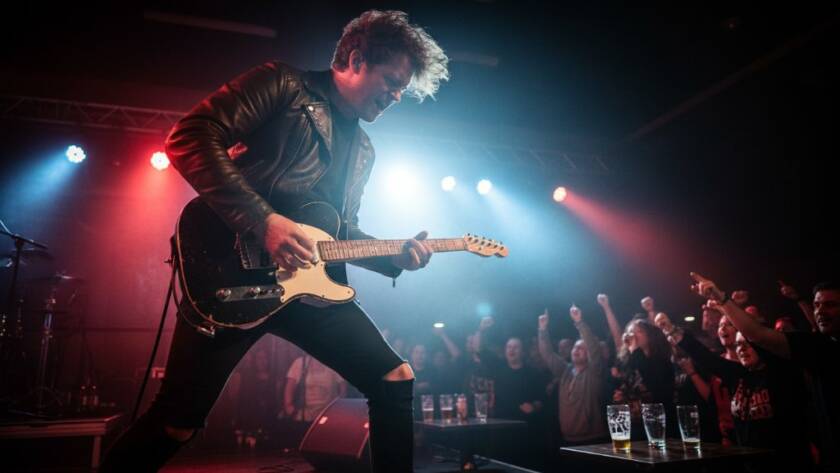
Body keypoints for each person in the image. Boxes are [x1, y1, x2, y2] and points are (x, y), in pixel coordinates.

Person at [100, 10, 448, 473]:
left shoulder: (364, 151)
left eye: (403, 87)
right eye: (392, 80)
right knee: (176, 423)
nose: (398, 95)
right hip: (231, 275)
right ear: (356, 58)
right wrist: (263, 221)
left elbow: (340, 231)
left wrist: (396, 256)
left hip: (310, 291)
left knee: (394, 378)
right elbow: (189, 136)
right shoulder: (284, 86)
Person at [690, 273, 840, 470]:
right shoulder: (818, 345)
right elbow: (711, 357)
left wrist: (723, 300)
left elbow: (758, 335)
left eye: (830, 305)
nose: (820, 311)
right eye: (817, 305)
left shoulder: (785, 367)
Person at [537, 306, 608, 445]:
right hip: (568, 439)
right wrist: (542, 330)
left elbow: (594, 348)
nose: (577, 350)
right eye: (575, 347)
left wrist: (580, 322)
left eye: (582, 348)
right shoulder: (565, 371)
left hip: (594, 440)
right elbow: (548, 354)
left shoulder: (594, 371)